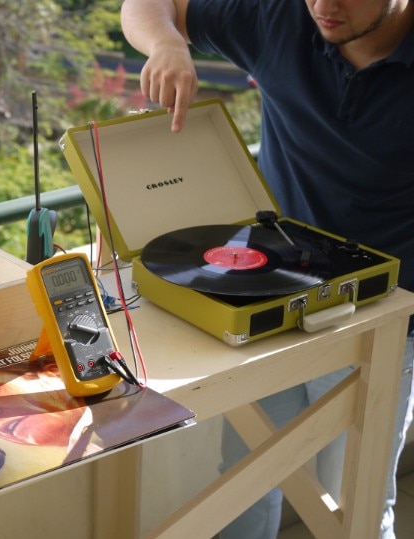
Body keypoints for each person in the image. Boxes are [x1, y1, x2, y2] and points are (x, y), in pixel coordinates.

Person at [119, 0, 414, 537]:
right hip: (266, 300)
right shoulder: (277, 16)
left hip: (379, 318)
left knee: (359, 512)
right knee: (244, 486)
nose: (323, 6)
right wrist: (167, 43)